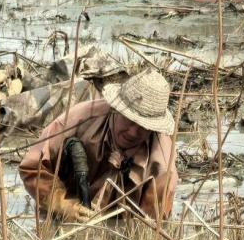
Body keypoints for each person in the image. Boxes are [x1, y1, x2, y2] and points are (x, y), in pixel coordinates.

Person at [19, 69, 178, 222]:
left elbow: (152, 227)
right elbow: (32, 167)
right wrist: (61, 204)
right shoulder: (78, 119)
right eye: (129, 120)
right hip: (64, 211)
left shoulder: (163, 167)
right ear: (115, 108)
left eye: (143, 127)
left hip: (121, 222)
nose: (133, 133)